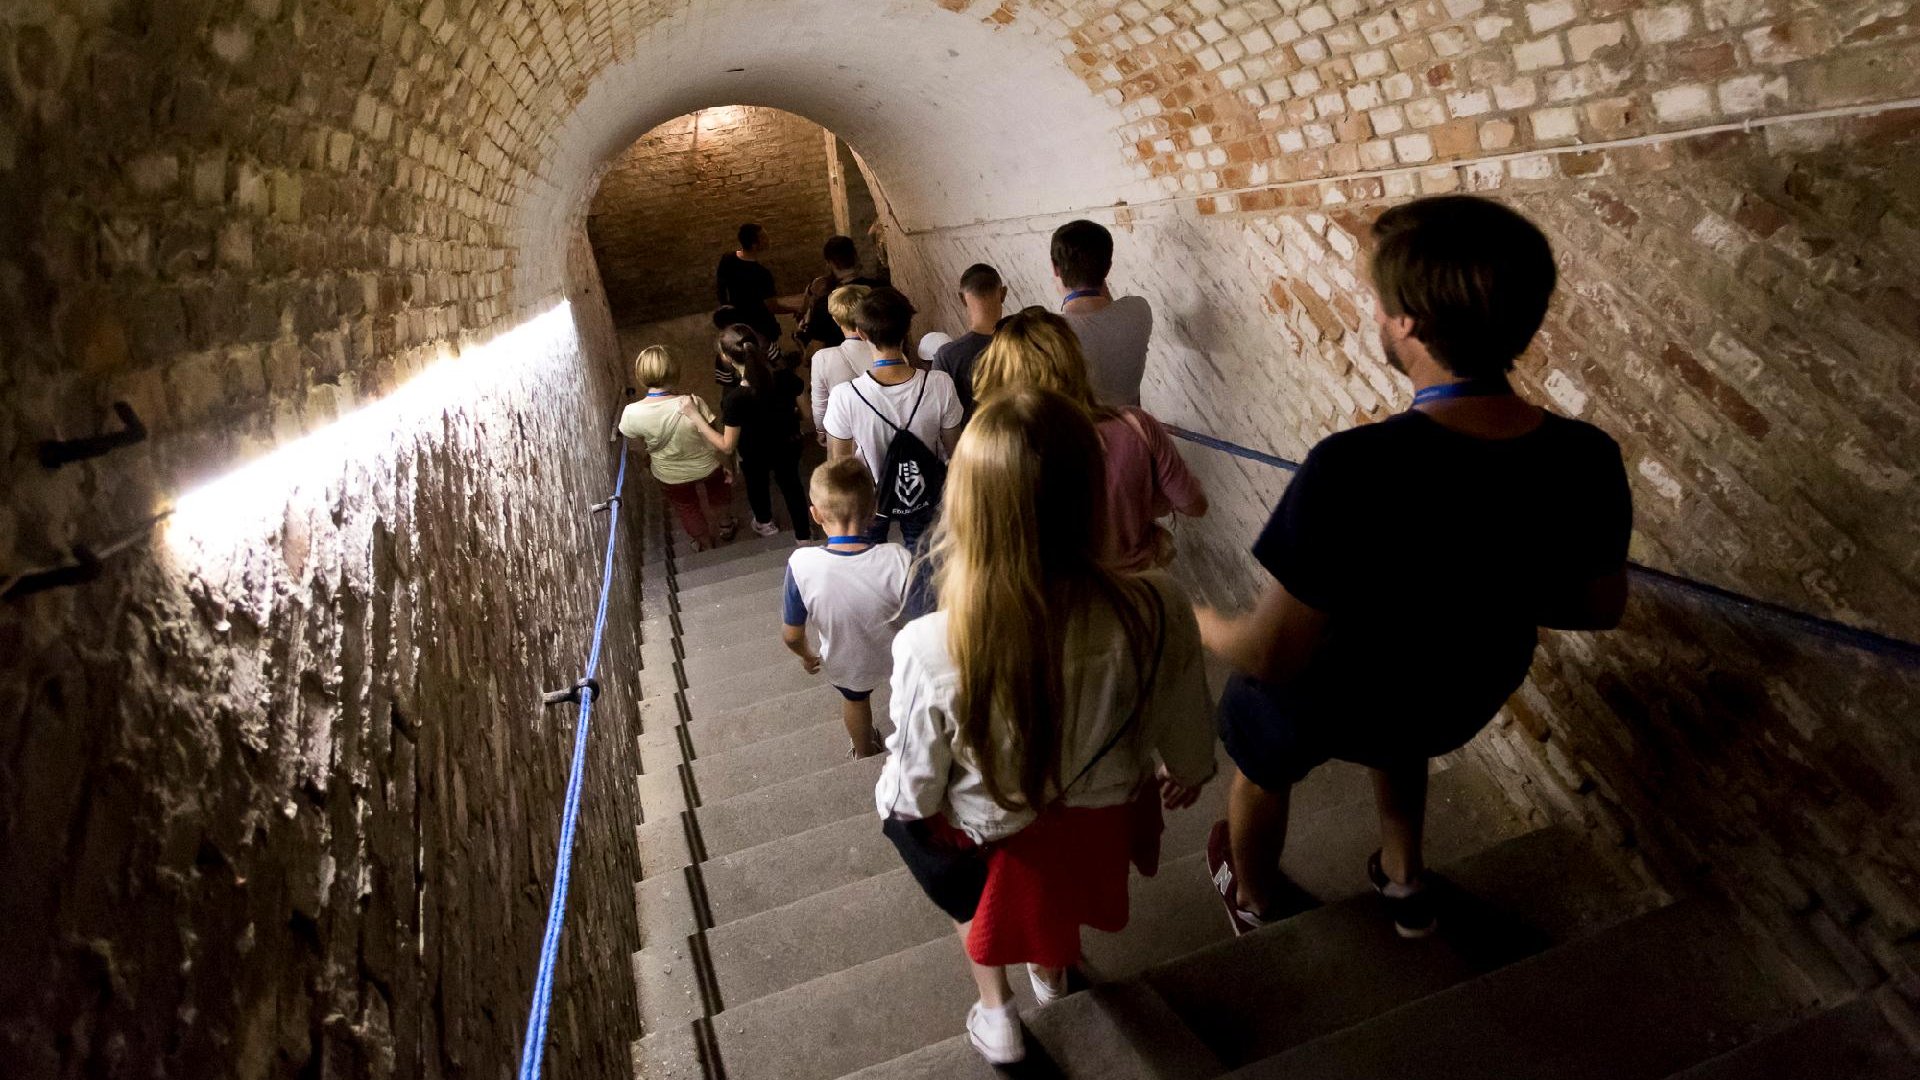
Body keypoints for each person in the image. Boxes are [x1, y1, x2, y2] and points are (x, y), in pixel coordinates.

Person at [1198, 194, 1633, 940]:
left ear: (1407, 323)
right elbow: (1599, 606)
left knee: (1256, 729)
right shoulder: (1587, 455)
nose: (1374, 313)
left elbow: (1274, 653)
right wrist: (1481, 579)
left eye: (1378, 300)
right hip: (1461, 693)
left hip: (1343, 699)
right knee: (1404, 707)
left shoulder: (1352, 468)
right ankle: (1405, 883)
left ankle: (1255, 901)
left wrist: (1195, 619)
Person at [874, 387, 1215, 1065]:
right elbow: (1189, 749)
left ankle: (996, 1011)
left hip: (997, 837)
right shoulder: (1161, 604)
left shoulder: (932, 646)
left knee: (913, 828)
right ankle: (1053, 974)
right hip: (1102, 819)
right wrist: (1190, 768)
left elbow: (912, 795)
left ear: (968, 506)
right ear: (1092, 491)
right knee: (1054, 872)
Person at [973, 308, 1208, 572]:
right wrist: (1142, 499)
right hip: (1139, 589)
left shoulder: (999, 450)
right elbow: (1194, 503)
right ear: (1075, 360)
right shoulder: (1135, 425)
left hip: (1059, 601)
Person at [781, 459, 913, 758]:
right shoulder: (897, 558)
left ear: (814, 514)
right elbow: (918, 613)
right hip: (899, 655)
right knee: (908, 695)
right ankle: (912, 744)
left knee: (855, 701)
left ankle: (864, 751)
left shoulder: (802, 565)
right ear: (872, 511)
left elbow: (791, 634)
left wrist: (806, 655)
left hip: (847, 659)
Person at [823, 288, 964, 551]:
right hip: (925, 491)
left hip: (870, 497)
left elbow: (839, 466)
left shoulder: (845, 396)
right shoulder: (938, 384)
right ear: (907, 329)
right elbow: (955, 450)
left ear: (862, 333)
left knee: (870, 558)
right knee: (922, 557)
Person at [682, 325, 812, 543]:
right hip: (788, 444)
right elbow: (806, 413)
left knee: (756, 483)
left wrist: (695, 417)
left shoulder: (735, 399)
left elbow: (727, 446)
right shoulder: (785, 378)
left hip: (754, 452)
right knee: (792, 485)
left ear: (726, 357)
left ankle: (765, 523)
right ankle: (804, 536)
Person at [615, 346, 737, 550]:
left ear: (641, 375)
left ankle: (705, 543)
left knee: (687, 507)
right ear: (674, 371)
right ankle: (726, 525)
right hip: (706, 467)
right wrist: (722, 464)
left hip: (670, 474)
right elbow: (713, 438)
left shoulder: (631, 413)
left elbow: (636, 446)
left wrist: (648, 459)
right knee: (718, 494)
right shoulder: (693, 402)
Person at [1052, 219, 1153, 408]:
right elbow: (1108, 313)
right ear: (1108, 268)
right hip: (1130, 431)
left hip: (1083, 435)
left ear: (1055, 268)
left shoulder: (1050, 332)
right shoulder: (1139, 310)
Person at [932, 263, 1008, 422]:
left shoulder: (947, 356)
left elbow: (942, 419)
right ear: (1003, 293)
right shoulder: (1026, 344)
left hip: (970, 443)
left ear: (962, 299)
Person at [809, 284, 873, 440]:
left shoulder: (823, 358)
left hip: (846, 433)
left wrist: (821, 429)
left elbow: (820, 404)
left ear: (836, 320)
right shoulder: (886, 348)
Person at [796, 235, 883, 350]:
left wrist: (801, 343)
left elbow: (814, 352)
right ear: (855, 256)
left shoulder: (824, 304)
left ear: (829, 263)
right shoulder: (881, 289)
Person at [715, 223, 792, 346]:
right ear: (755, 245)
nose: (769, 240)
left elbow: (721, 289)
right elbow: (772, 307)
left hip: (738, 322)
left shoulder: (727, 258)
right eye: (764, 238)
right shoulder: (762, 274)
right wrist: (796, 308)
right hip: (759, 325)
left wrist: (728, 314)